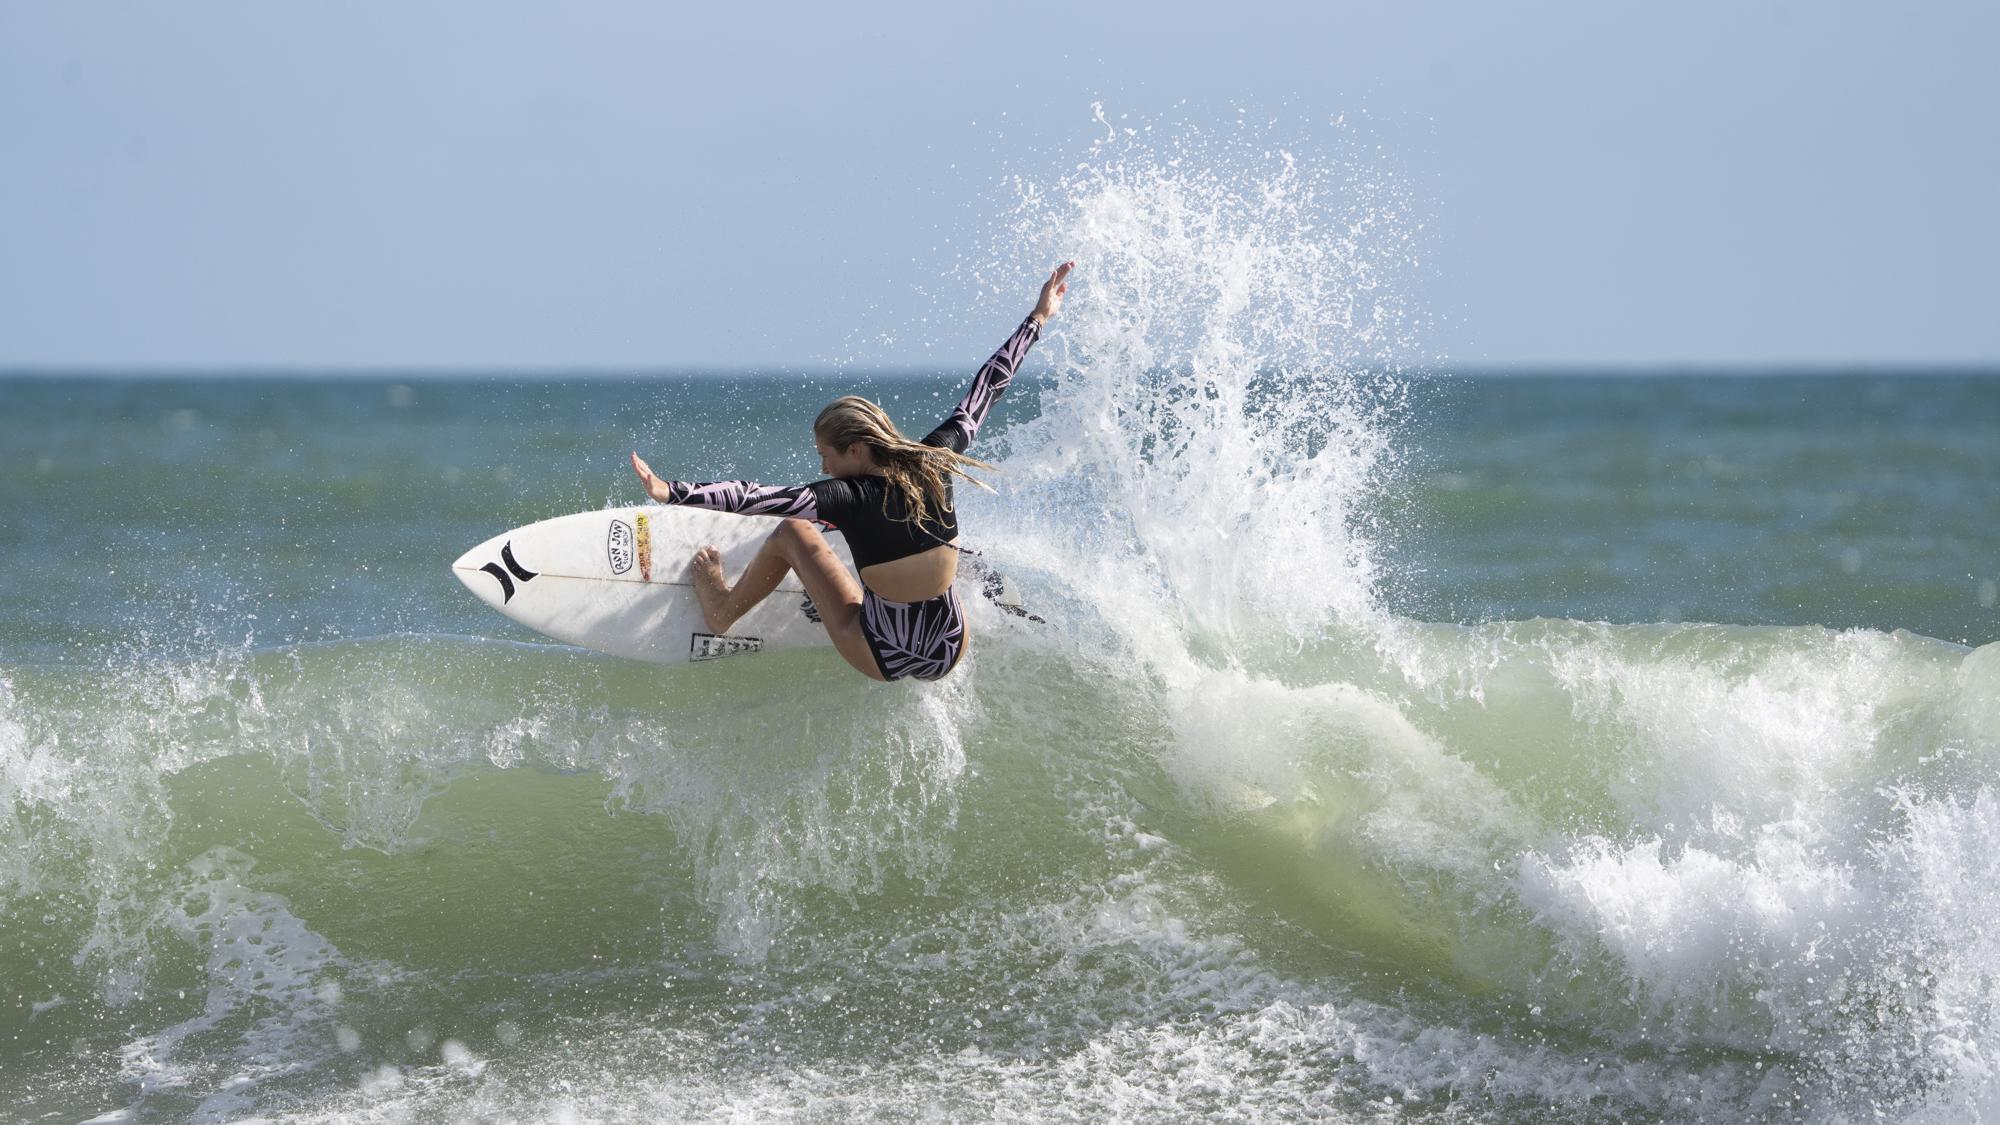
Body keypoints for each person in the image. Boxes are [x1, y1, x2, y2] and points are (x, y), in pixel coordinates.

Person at [630, 263, 1072, 682]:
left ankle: (722, 611)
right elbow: (988, 387)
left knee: (792, 533)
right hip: (950, 648)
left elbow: (753, 498)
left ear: (856, 449)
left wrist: (671, 491)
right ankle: (983, 592)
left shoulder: (848, 499)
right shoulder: (935, 458)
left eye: (828, 456)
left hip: (882, 654)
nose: (823, 466)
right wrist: (1039, 316)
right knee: (938, 545)